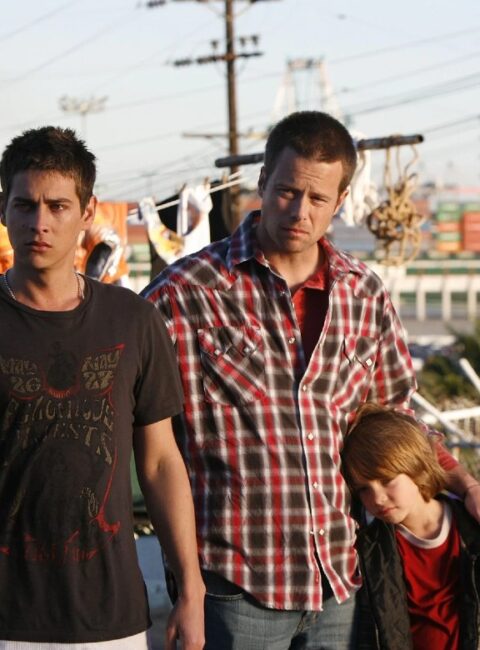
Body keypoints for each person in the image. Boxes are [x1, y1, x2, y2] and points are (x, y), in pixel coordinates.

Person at [142, 110, 480, 650]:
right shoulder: (183, 294)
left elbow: (401, 424)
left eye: (318, 198)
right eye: (287, 191)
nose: (300, 211)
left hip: (341, 583)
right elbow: (146, 439)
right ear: (262, 182)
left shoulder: (364, 294)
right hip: (234, 589)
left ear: (340, 201)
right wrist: (187, 584)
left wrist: (466, 485)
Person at [0, 126, 205, 650]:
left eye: (58, 206)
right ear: (3, 209)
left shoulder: (133, 321)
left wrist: (191, 589)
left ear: (87, 211)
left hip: (110, 617)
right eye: (24, 205)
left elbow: (160, 462)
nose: (40, 223)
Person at [341, 403, 480, 650]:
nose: (378, 498)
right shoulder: (373, 548)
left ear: (417, 466)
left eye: (387, 480)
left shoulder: (471, 528)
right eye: (363, 489)